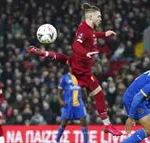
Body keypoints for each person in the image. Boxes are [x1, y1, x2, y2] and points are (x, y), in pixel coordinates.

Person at [26, 3, 122, 136]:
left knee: (65, 59)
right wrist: (85, 53)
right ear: (90, 17)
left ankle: (42, 52)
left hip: (76, 63)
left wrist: (105, 33)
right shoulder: (84, 30)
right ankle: (107, 125)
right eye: (98, 16)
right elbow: (76, 45)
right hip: (82, 71)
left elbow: (92, 35)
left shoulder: (86, 28)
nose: (101, 19)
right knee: (99, 95)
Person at [56, 71, 88, 143]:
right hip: (68, 104)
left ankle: (86, 141)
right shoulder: (64, 77)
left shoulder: (80, 77)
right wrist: (60, 100)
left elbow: (83, 90)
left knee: (83, 121)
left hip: (79, 103)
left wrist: (86, 101)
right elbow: (59, 90)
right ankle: (56, 140)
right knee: (64, 123)